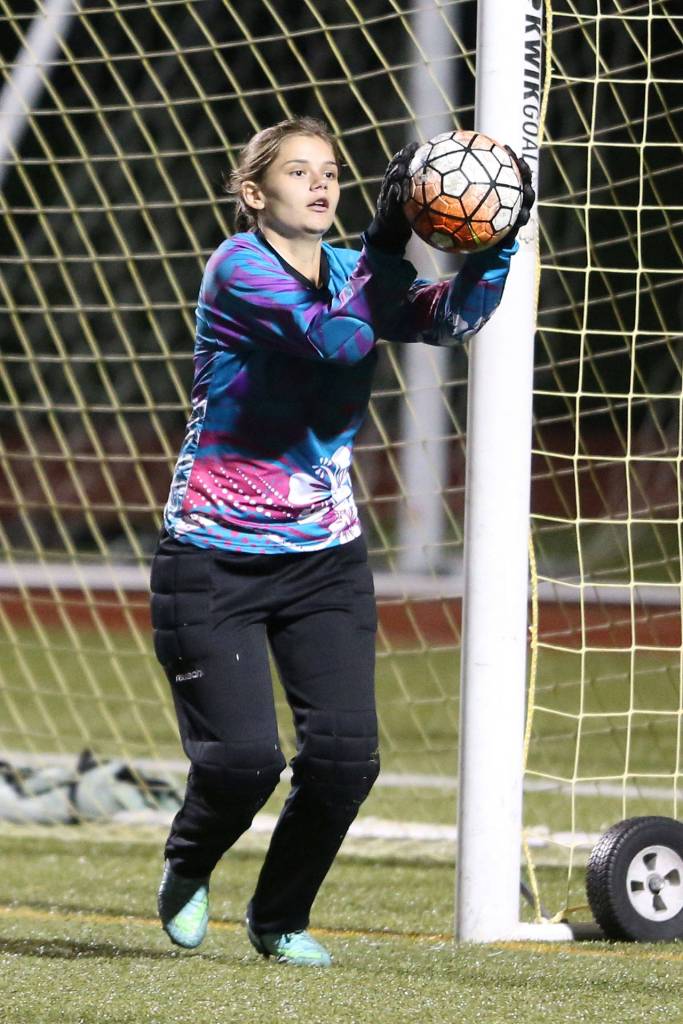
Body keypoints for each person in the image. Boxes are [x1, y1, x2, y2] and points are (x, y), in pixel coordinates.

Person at [150, 116, 534, 966]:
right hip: (212, 559)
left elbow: (448, 320)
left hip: (324, 558)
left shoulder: (348, 271)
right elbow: (334, 339)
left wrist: (496, 244)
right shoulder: (237, 269)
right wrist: (387, 237)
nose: (321, 183)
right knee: (244, 762)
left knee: (344, 758)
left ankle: (279, 916)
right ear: (256, 194)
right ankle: (187, 864)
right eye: (298, 171)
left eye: (330, 170)